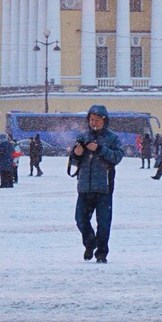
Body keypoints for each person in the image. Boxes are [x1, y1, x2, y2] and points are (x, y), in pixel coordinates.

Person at [68, 104, 124, 263]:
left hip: (104, 187)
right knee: (80, 219)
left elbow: (117, 157)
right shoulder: (83, 136)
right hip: (84, 186)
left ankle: (101, 253)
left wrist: (99, 149)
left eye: (97, 120)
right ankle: (90, 243)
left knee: (104, 223)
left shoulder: (112, 138)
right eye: (92, 120)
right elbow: (73, 161)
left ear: (105, 121)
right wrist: (76, 154)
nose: (94, 123)